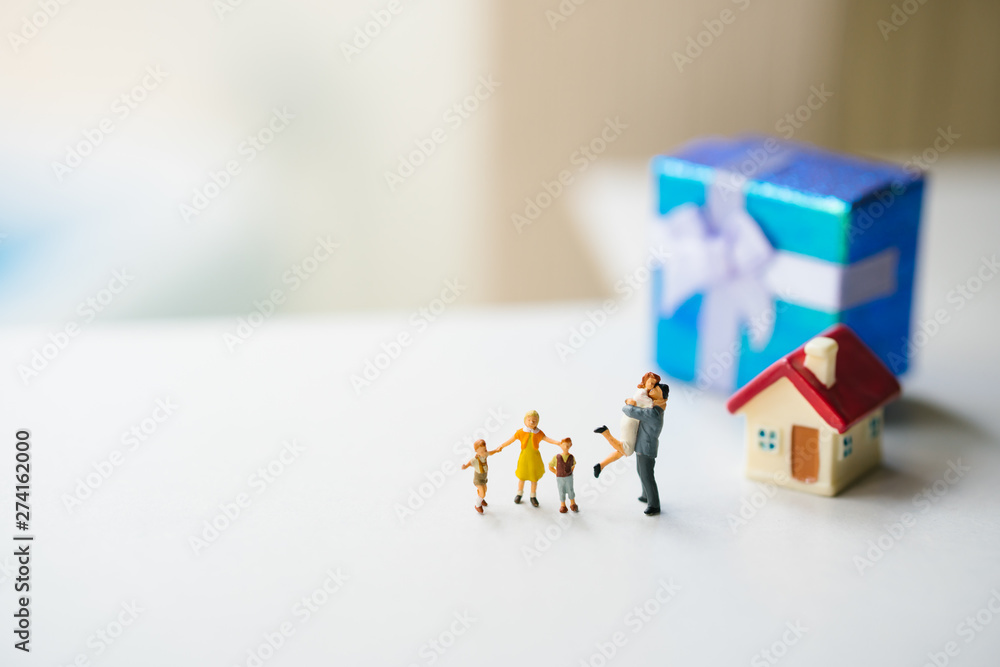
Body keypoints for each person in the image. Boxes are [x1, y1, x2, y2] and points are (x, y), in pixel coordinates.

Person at [597, 383, 669, 516]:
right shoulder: (655, 409)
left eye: (655, 390)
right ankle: (646, 495)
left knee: (647, 475)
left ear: (662, 397)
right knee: (641, 472)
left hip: (646, 448)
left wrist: (628, 403)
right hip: (642, 446)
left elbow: (631, 411)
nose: (651, 390)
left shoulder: (653, 413)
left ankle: (654, 505)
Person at [593, 372, 661, 478]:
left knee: (621, 451)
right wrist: (657, 399)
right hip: (631, 421)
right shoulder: (642, 394)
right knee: (627, 450)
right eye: (650, 382)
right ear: (645, 381)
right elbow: (651, 406)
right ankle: (606, 433)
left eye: (654, 384)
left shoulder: (643, 393)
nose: (652, 385)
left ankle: (601, 465)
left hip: (630, 420)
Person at [496, 410, 563, 507]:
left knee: (534, 479)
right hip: (524, 458)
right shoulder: (520, 432)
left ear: (537, 421)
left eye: (534, 421)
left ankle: (533, 496)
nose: (531, 422)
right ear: (525, 420)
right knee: (521, 477)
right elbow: (510, 440)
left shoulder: (539, 433)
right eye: (529, 420)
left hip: (534, 459)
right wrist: (501, 446)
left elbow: (547, 439)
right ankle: (519, 493)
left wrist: (558, 443)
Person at [461, 439, 500, 514]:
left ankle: (481, 499)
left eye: (485, 450)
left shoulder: (484, 455)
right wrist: (465, 466)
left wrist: (496, 450)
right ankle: (477, 505)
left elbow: (490, 453)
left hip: (484, 478)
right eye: (482, 451)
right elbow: (469, 463)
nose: (484, 452)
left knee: (485, 490)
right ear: (476, 451)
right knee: (482, 492)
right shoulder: (475, 460)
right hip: (478, 479)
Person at [547, 438, 578, 513]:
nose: (566, 447)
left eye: (568, 445)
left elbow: (573, 465)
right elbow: (550, 466)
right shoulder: (556, 457)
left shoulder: (571, 457)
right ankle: (563, 505)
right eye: (564, 445)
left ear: (570, 445)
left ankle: (572, 503)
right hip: (560, 478)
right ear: (560, 445)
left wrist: (570, 472)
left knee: (570, 490)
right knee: (561, 490)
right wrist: (556, 472)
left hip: (569, 477)